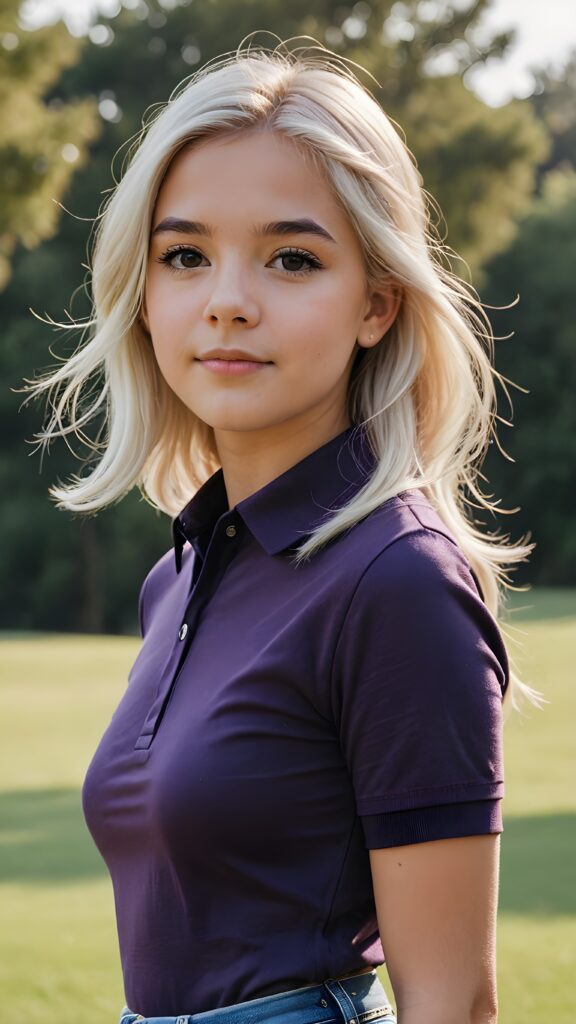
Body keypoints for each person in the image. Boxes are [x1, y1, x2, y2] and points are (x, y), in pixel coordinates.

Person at [25, 39, 543, 1024]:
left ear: (376, 305)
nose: (227, 301)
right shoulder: (179, 576)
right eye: (185, 256)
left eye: (292, 259)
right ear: (144, 293)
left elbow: (453, 1002)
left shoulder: (399, 580)